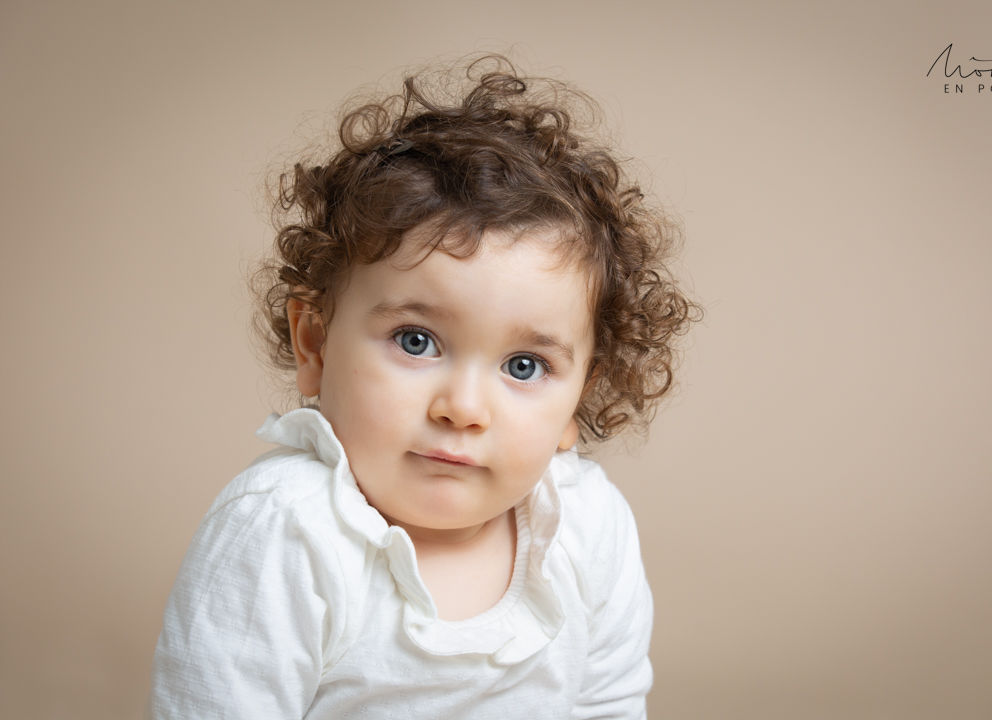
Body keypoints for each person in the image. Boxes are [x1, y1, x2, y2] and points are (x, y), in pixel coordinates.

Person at [149, 55, 698, 719]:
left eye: (523, 366)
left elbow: (607, 704)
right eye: (417, 341)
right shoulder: (284, 531)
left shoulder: (586, 523)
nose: (463, 409)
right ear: (315, 341)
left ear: (576, 401)